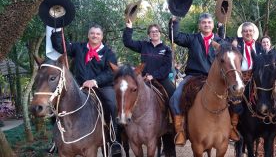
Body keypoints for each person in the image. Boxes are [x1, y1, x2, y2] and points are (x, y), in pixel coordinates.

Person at [51, 24, 121, 155]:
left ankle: (114, 140)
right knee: (56, 103)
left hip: (102, 86)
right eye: (92, 33)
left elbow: (110, 72)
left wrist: (95, 81)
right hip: (79, 86)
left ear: (102, 37)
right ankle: (55, 141)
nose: (95, 36)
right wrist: (57, 30)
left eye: (98, 34)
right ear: (88, 35)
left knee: (112, 105)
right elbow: (61, 46)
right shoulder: (78, 47)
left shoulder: (108, 53)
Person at [168, 13, 223, 146]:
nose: (206, 25)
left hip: (214, 78)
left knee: (233, 98)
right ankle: (180, 131)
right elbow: (175, 37)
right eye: (204, 22)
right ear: (199, 25)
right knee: (175, 97)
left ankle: (231, 127)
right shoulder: (192, 38)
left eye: (209, 22)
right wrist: (175, 21)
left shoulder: (220, 41)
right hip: (193, 76)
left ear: (213, 25)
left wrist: (222, 30)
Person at [122, 21, 176, 156]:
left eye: (156, 31)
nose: (154, 33)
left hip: (161, 79)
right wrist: (129, 28)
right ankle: (123, 126)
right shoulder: (143, 45)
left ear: (160, 33)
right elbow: (128, 42)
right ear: (149, 35)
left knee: (174, 97)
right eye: (152, 32)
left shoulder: (166, 49)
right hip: (143, 80)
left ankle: (175, 125)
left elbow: (166, 67)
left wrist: (154, 75)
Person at [218, 22, 263, 141]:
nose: (248, 33)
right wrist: (221, 26)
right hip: (239, 77)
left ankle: (270, 123)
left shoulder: (259, 46)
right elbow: (223, 40)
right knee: (235, 101)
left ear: (253, 33)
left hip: (255, 78)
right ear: (241, 33)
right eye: (245, 31)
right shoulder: (236, 43)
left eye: (250, 31)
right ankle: (234, 127)